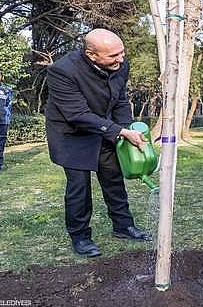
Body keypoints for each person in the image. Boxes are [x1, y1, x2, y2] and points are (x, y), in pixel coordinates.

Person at [45, 28, 152, 258]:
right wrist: (119, 131)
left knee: (113, 178)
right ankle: (81, 237)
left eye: (122, 53)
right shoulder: (62, 71)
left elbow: (120, 100)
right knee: (79, 187)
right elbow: (77, 114)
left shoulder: (120, 65)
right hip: (71, 134)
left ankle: (123, 226)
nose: (121, 59)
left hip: (106, 130)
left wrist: (127, 128)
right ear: (91, 54)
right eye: (113, 56)